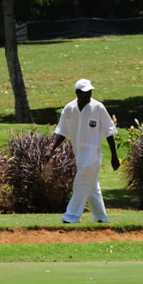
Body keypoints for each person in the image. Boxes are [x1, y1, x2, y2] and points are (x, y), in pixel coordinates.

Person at [46, 78, 120, 224]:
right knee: (92, 188)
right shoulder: (68, 109)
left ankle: (71, 216)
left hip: (92, 157)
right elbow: (61, 132)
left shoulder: (98, 107)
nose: (89, 95)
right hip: (79, 155)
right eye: (85, 92)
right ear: (78, 93)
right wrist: (51, 149)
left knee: (80, 184)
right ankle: (100, 217)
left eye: (90, 91)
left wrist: (114, 156)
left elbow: (109, 132)